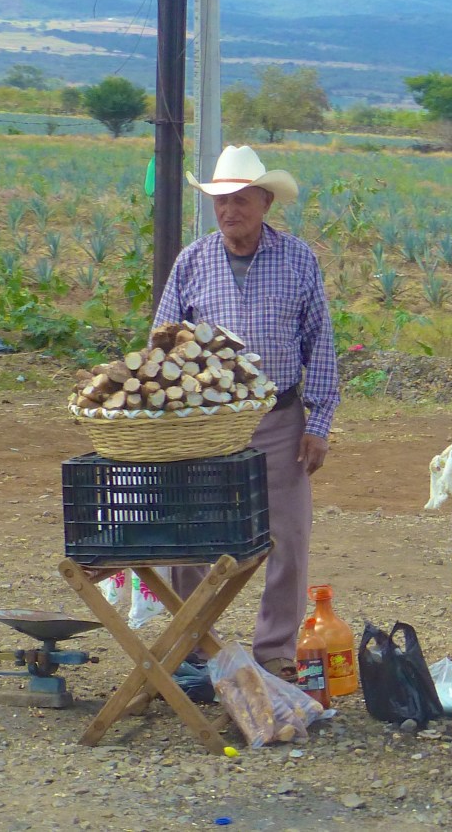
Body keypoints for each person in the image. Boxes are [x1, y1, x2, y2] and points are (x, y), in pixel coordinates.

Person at [152, 145, 340, 680]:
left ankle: (275, 650)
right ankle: (191, 642)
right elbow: (160, 344)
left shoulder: (298, 259)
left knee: (288, 536)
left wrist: (318, 424)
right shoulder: (192, 261)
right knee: (192, 532)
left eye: (240, 200)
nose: (229, 210)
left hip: (279, 417)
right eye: (221, 201)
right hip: (208, 422)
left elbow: (320, 344)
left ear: (264, 202)